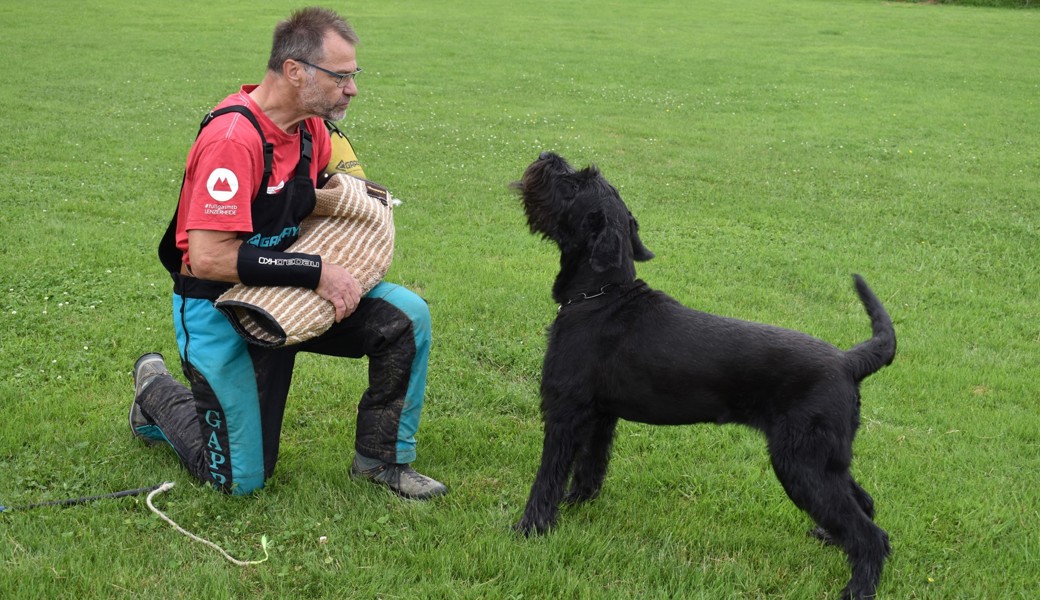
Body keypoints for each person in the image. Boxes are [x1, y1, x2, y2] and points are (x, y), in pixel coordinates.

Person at [130, 7, 447, 500]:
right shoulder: (232, 139)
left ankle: (382, 462)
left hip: (288, 295)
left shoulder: (310, 129)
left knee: (406, 316)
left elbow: (344, 191)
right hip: (217, 305)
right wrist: (315, 271)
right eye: (340, 77)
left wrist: (356, 219)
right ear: (294, 71)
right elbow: (209, 258)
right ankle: (154, 394)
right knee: (239, 481)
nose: (352, 89)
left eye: (354, 76)